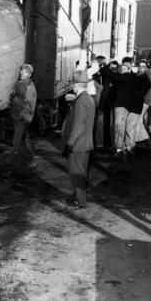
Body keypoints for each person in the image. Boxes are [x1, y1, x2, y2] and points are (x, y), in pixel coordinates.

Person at [61, 70, 96, 208]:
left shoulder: (81, 101)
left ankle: (80, 201)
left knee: (76, 174)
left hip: (78, 144)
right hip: (86, 143)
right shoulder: (88, 99)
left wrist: (69, 144)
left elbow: (78, 126)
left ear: (75, 85)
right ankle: (79, 197)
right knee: (82, 172)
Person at [9, 63, 38, 169]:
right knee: (25, 140)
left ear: (29, 74)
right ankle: (25, 160)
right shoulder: (21, 83)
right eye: (21, 70)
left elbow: (26, 103)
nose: (22, 73)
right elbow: (14, 96)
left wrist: (15, 99)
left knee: (16, 142)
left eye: (25, 72)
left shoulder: (29, 86)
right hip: (17, 115)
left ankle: (30, 159)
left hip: (23, 117)